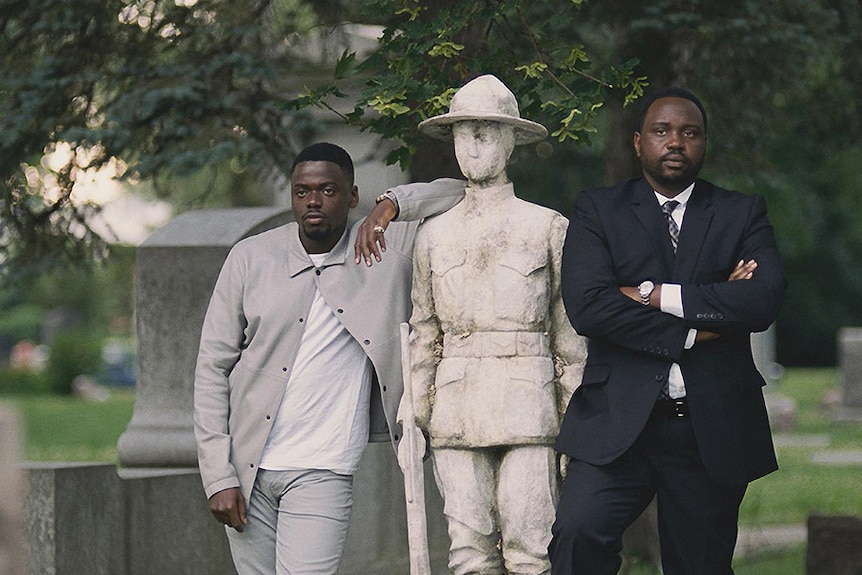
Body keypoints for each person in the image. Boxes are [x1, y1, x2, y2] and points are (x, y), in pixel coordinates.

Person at [193, 142, 463, 575]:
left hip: (323, 468)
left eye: (327, 190)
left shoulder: (386, 249)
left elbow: (459, 192)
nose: (313, 201)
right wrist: (218, 476)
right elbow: (211, 370)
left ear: (351, 196)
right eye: (302, 192)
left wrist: (390, 205)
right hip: (247, 472)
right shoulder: (250, 258)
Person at [548, 87, 786, 574]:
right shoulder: (598, 210)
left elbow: (760, 301)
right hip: (617, 422)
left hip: (708, 426)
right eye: (662, 131)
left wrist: (650, 294)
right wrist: (697, 327)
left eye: (689, 133)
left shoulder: (741, 213)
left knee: (699, 565)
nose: (675, 142)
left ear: (703, 144)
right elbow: (590, 307)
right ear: (638, 143)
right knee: (577, 536)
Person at [406, 74, 586, 575]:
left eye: (488, 129)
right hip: (456, 406)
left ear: (512, 140)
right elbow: (424, 330)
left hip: (529, 405)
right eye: (465, 131)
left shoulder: (547, 227)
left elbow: (569, 335)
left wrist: (575, 417)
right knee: (468, 553)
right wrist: (416, 410)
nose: (476, 142)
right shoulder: (433, 237)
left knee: (531, 548)